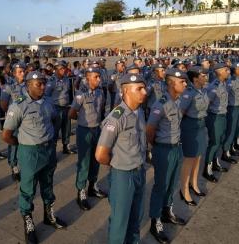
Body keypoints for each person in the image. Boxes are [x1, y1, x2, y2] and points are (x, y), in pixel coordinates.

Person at [2, 71, 67, 244]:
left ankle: (49, 214)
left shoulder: (48, 102)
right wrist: (23, 144)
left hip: (48, 150)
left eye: (44, 83)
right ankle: (28, 221)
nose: (43, 86)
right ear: (28, 85)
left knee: (48, 183)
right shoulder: (18, 106)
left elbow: (54, 120)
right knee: (28, 188)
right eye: (39, 84)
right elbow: (7, 135)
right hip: (30, 152)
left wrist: (50, 139)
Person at [95, 73, 147, 244]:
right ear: (125, 91)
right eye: (139, 88)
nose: (145, 92)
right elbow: (101, 155)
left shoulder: (138, 112)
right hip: (123, 175)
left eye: (144, 87)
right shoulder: (116, 118)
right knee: (119, 223)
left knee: (135, 218)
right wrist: (118, 163)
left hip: (139, 171)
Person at [146, 68, 187, 243]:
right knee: (160, 185)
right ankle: (155, 221)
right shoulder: (160, 103)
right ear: (171, 83)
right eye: (182, 82)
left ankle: (167, 211)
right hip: (163, 149)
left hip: (176, 147)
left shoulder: (178, 101)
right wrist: (154, 146)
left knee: (172, 183)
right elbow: (150, 129)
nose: (185, 84)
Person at [69, 66, 107, 211]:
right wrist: (83, 121)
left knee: (95, 160)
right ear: (88, 78)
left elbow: (101, 109)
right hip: (84, 131)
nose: (99, 79)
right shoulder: (81, 94)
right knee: (84, 162)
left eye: (99, 76)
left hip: (97, 129)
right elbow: (71, 113)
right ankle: (81, 191)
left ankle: (92, 186)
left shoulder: (100, 92)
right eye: (96, 77)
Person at [179, 66, 209, 206]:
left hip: (201, 126)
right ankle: (184, 189)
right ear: (195, 78)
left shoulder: (202, 91)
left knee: (198, 157)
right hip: (190, 127)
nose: (206, 77)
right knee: (189, 159)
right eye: (203, 75)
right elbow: (181, 113)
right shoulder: (189, 93)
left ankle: (194, 184)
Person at [203, 63, 230, 183]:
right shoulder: (213, 87)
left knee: (219, 140)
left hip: (222, 115)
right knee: (214, 143)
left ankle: (215, 162)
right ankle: (207, 169)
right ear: (219, 72)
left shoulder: (223, 84)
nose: (229, 72)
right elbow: (206, 105)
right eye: (226, 70)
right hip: (215, 117)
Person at [0, 62, 26, 181]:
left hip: (26, 120)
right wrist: (12, 115)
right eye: (20, 71)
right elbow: (4, 104)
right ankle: (14, 165)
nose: (23, 73)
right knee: (13, 143)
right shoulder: (9, 86)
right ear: (14, 73)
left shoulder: (28, 85)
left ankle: (23, 163)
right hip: (14, 120)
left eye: (24, 71)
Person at [45, 60, 76, 154]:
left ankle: (66, 146)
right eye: (61, 69)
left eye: (64, 68)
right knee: (55, 130)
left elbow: (69, 93)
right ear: (56, 70)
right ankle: (52, 151)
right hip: (56, 109)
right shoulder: (51, 81)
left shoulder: (66, 79)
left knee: (66, 128)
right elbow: (47, 95)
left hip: (66, 107)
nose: (64, 70)